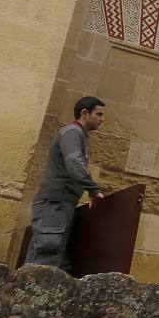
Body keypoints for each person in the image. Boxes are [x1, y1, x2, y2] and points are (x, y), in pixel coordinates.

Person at [24, 96, 107, 269]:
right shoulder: (72, 132)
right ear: (85, 113)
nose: (102, 119)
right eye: (98, 114)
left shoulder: (78, 135)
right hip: (55, 203)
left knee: (48, 254)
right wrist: (93, 189)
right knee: (47, 255)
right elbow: (74, 162)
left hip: (60, 203)